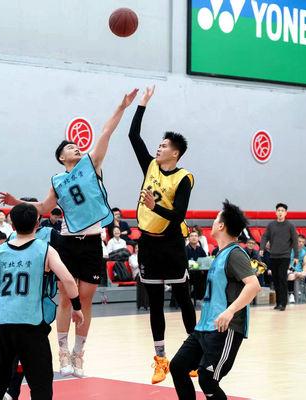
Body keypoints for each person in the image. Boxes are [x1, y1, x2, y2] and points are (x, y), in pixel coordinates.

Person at [0, 89, 138, 377]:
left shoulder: (91, 165)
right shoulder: (58, 180)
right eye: (70, 147)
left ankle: (78, 353)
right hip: (67, 241)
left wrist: (121, 106)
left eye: (77, 146)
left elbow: (107, 132)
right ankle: (62, 352)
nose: (76, 148)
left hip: (92, 241)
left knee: (85, 298)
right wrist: (16, 202)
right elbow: (45, 207)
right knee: (65, 297)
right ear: (61, 157)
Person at [0, 203, 84, 400]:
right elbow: (69, 281)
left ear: (12, 225)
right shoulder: (45, 250)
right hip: (31, 324)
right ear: (37, 224)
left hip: (2, 322)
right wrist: (77, 307)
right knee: (40, 381)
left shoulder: (0, 251)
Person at [128, 85, 197, 384]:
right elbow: (133, 136)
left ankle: (194, 355)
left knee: (184, 300)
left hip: (171, 243)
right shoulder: (150, 167)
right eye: (159, 144)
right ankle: (160, 359)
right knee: (154, 303)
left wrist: (155, 207)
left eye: (164, 145)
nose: (159, 147)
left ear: (175, 153)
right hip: (148, 244)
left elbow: (179, 215)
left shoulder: (184, 178)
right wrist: (142, 105)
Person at [170, 200, 261, 400]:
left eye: (215, 219)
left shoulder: (235, 254)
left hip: (225, 329)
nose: (212, 222)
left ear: (221, 226)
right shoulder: (220, 254)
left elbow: (253, 285)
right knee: (178, 366)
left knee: (207, 379)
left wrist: (229, 312)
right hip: (204, 328)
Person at [259, 203, 300, 312]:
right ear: (276, 212)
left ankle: (283, 303)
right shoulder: (271, 225)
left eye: (282, 210)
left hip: (285, 256)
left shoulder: (290, 226)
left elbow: (295, 241)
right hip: (273, 256)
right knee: (275, 280)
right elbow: (265, 237)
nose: (280, 212)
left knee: (282, 278)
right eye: (279, 210)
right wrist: (262, 248)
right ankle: (278, 303)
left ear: (286, 213)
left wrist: (296, 256)